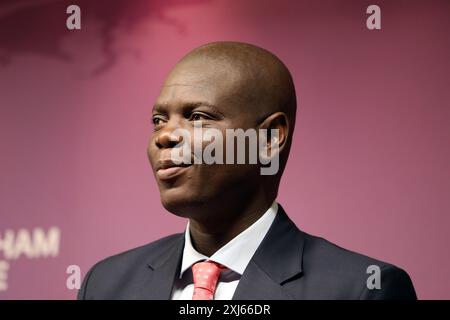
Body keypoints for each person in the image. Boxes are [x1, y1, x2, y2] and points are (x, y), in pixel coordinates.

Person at [78, 42, 416, 300]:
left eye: (198, 117)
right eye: (158, 121)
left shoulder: (362, 289)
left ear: (269, 138)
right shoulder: (106, 285)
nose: (165, 136)